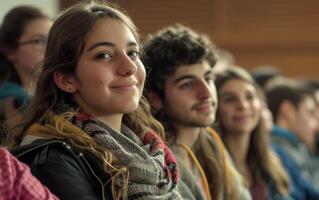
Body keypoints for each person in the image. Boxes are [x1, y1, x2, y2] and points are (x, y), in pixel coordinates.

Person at [8, 2, 181, 199]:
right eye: (104, 55)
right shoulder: (51, 162)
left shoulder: (151, 149)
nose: (129, 67)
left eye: (132, 53)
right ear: (67, 79)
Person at [143, 24, 250, 200]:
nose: (206, 93)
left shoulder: (212, 144)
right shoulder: (154, 162)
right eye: (188, 84)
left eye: (208, 78)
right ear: (156, 98)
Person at [215, 66, 291, 200]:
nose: (243, 105)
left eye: (249, 97)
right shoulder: (210, 167)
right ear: (215, 107)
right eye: (230, 99)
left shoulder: (270, 161)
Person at [0, 5, 52, 140]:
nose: (50, 48)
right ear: (10, 51)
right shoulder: (12, 101)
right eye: (39, 41)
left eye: (52, 40)